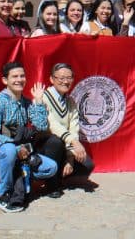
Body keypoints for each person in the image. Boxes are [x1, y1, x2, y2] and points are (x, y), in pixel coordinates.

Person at [0, 62, 58, 212]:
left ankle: (17, 180)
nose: (19, 79)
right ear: (5, 80)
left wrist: (39, 101)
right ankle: (3, 194)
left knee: (51, 167)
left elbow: (40, 126)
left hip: (18, 155)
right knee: (9, 150)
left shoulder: (26, 103)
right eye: (14, 76)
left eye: (22, 76)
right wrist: (17, 148)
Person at [40, 63, 95, 196]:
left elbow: (74, 129)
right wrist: (74, 143)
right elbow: (51, 124)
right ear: (52, 79)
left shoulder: (71, 101)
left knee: (87, 164)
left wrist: (70, 159)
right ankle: (51, 184)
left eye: (69, 78)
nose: (65, 81)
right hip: (44, 147)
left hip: (64, 147)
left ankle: (60, 175)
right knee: (55, 142)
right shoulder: (42, 97)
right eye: (61, 78)